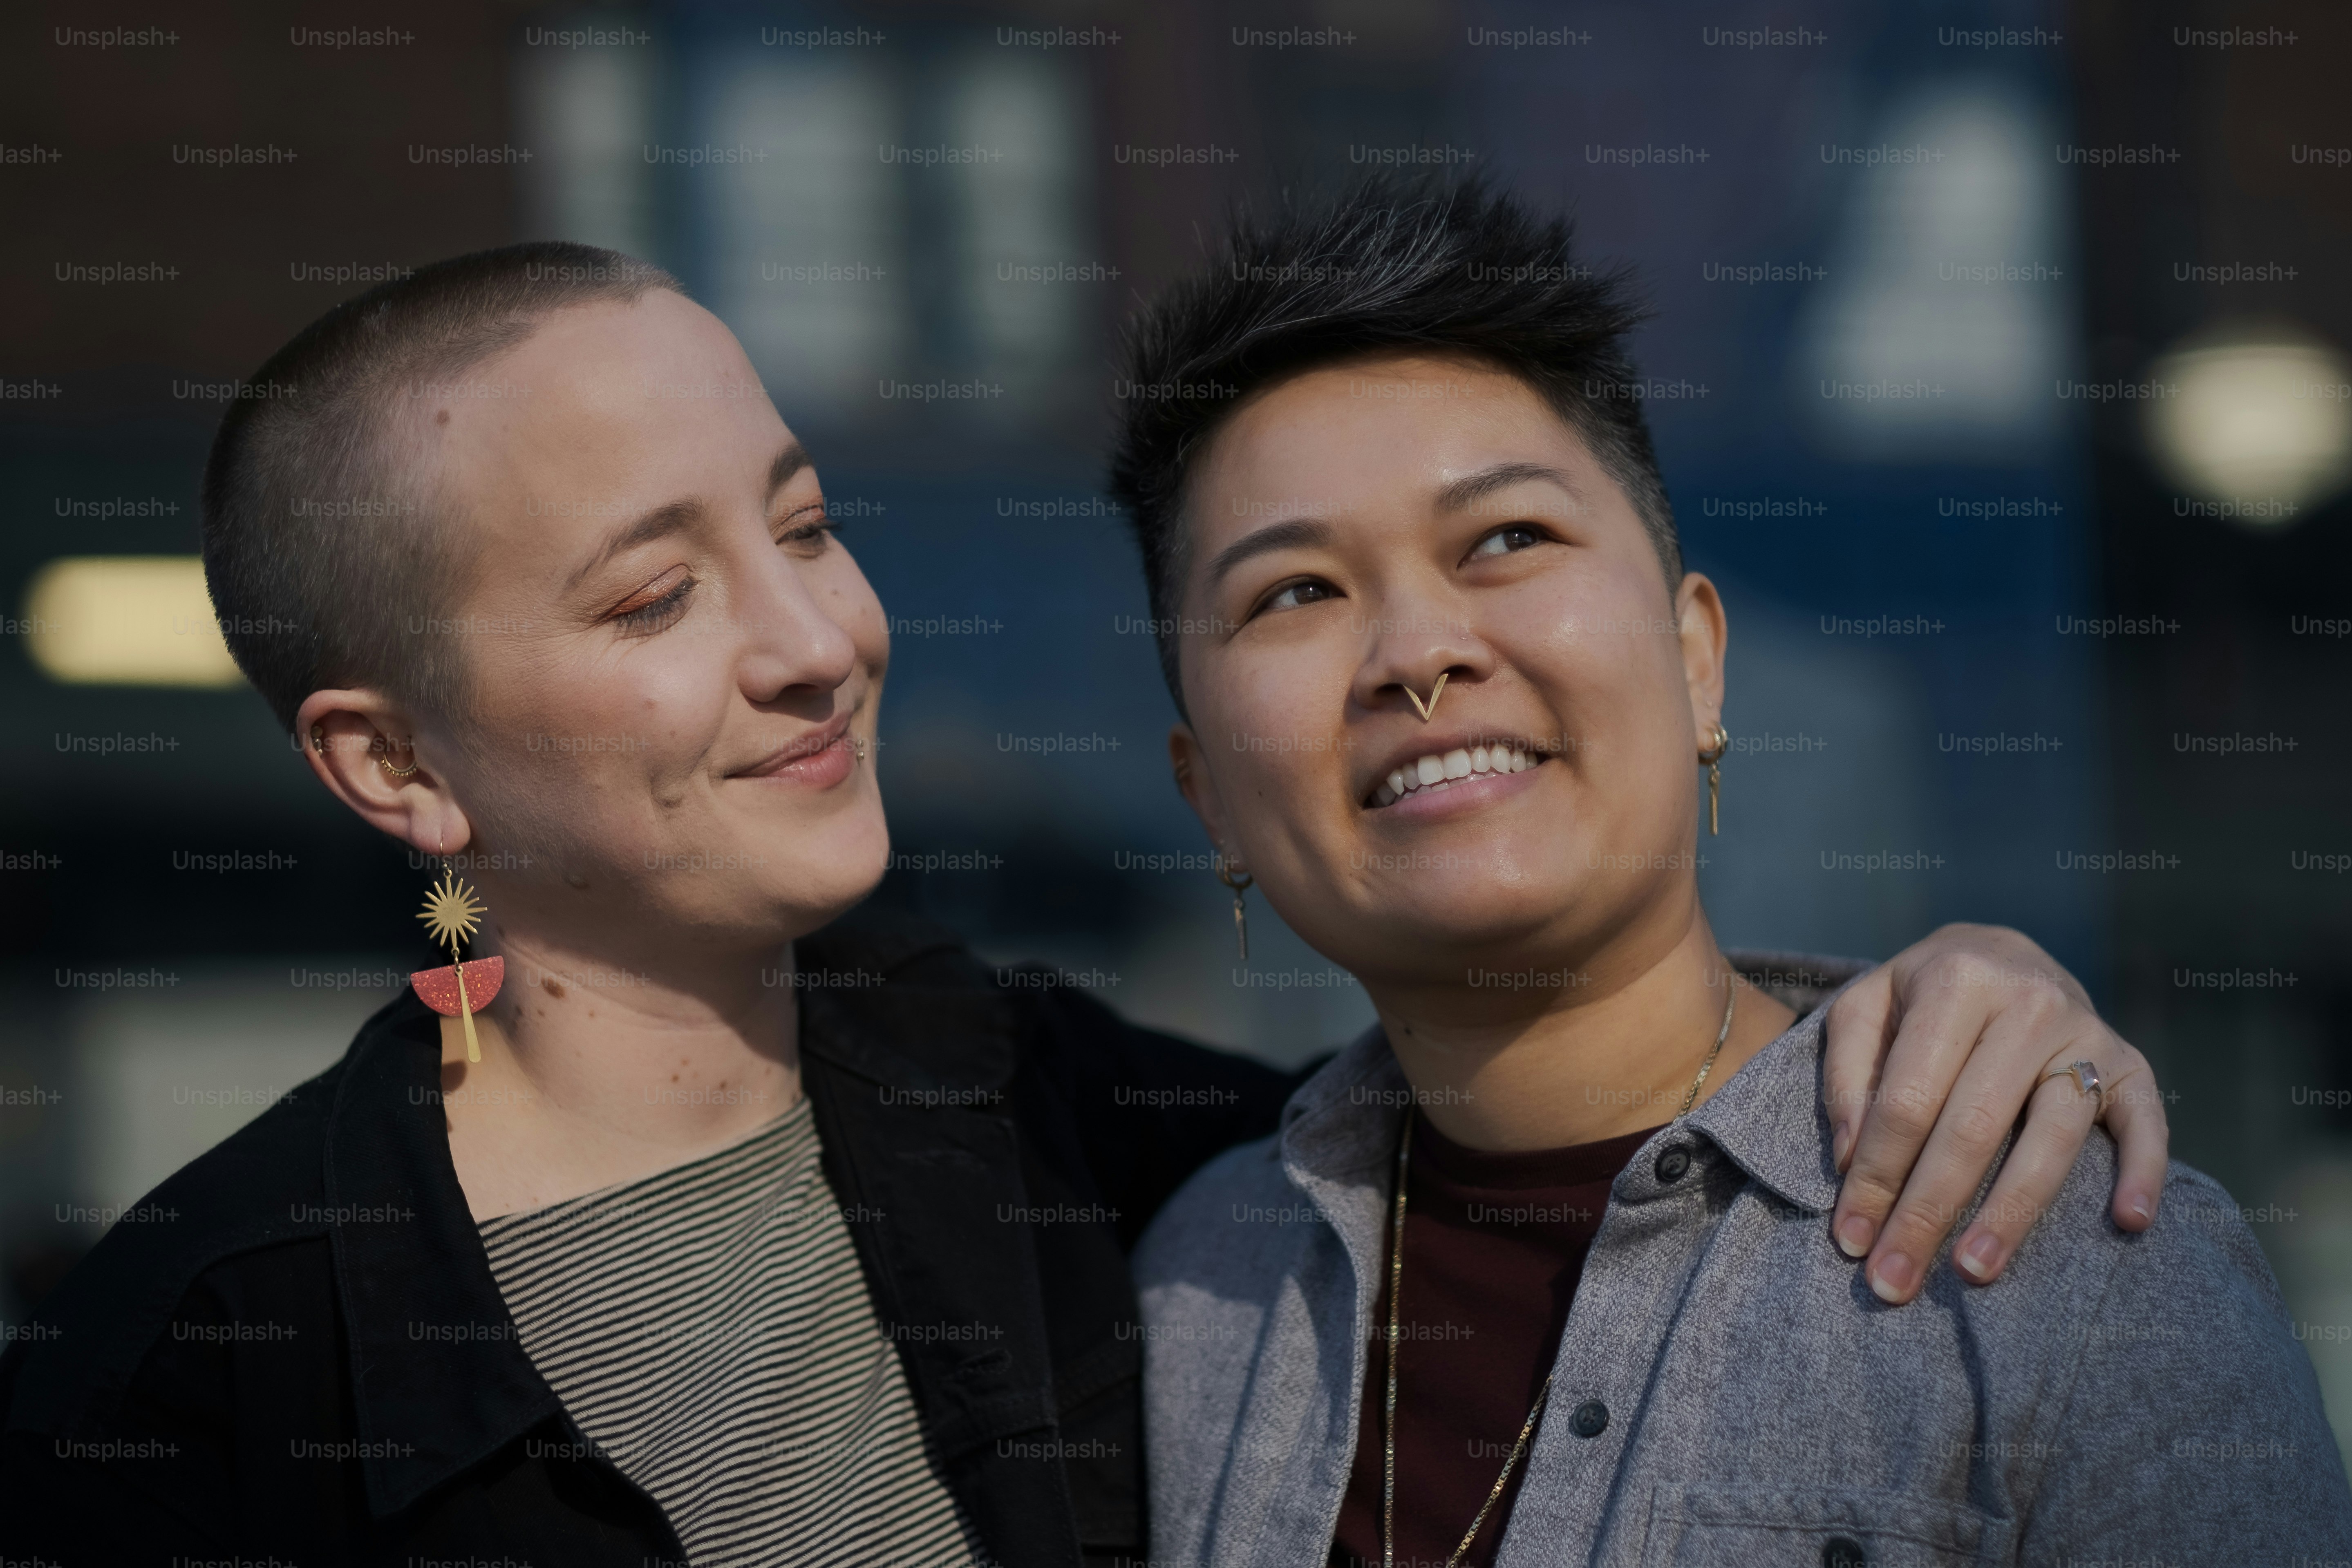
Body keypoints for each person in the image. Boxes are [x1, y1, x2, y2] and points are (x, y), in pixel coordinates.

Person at [0, 244, 2170, 1567]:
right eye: (657, 597)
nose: (816, 642)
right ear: (394, 766)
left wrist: (1959, 998)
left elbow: (1542, 1106)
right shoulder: (195, 1376)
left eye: (804, 529)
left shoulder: (1063, 1125)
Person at [1119, 179, 2352, 1566]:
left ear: (1696, 659)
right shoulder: (1182, 1295)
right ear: (1210, 799)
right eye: (1292, 592)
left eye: (1507, 539)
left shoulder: (2069, 1270)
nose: (1417, 652)